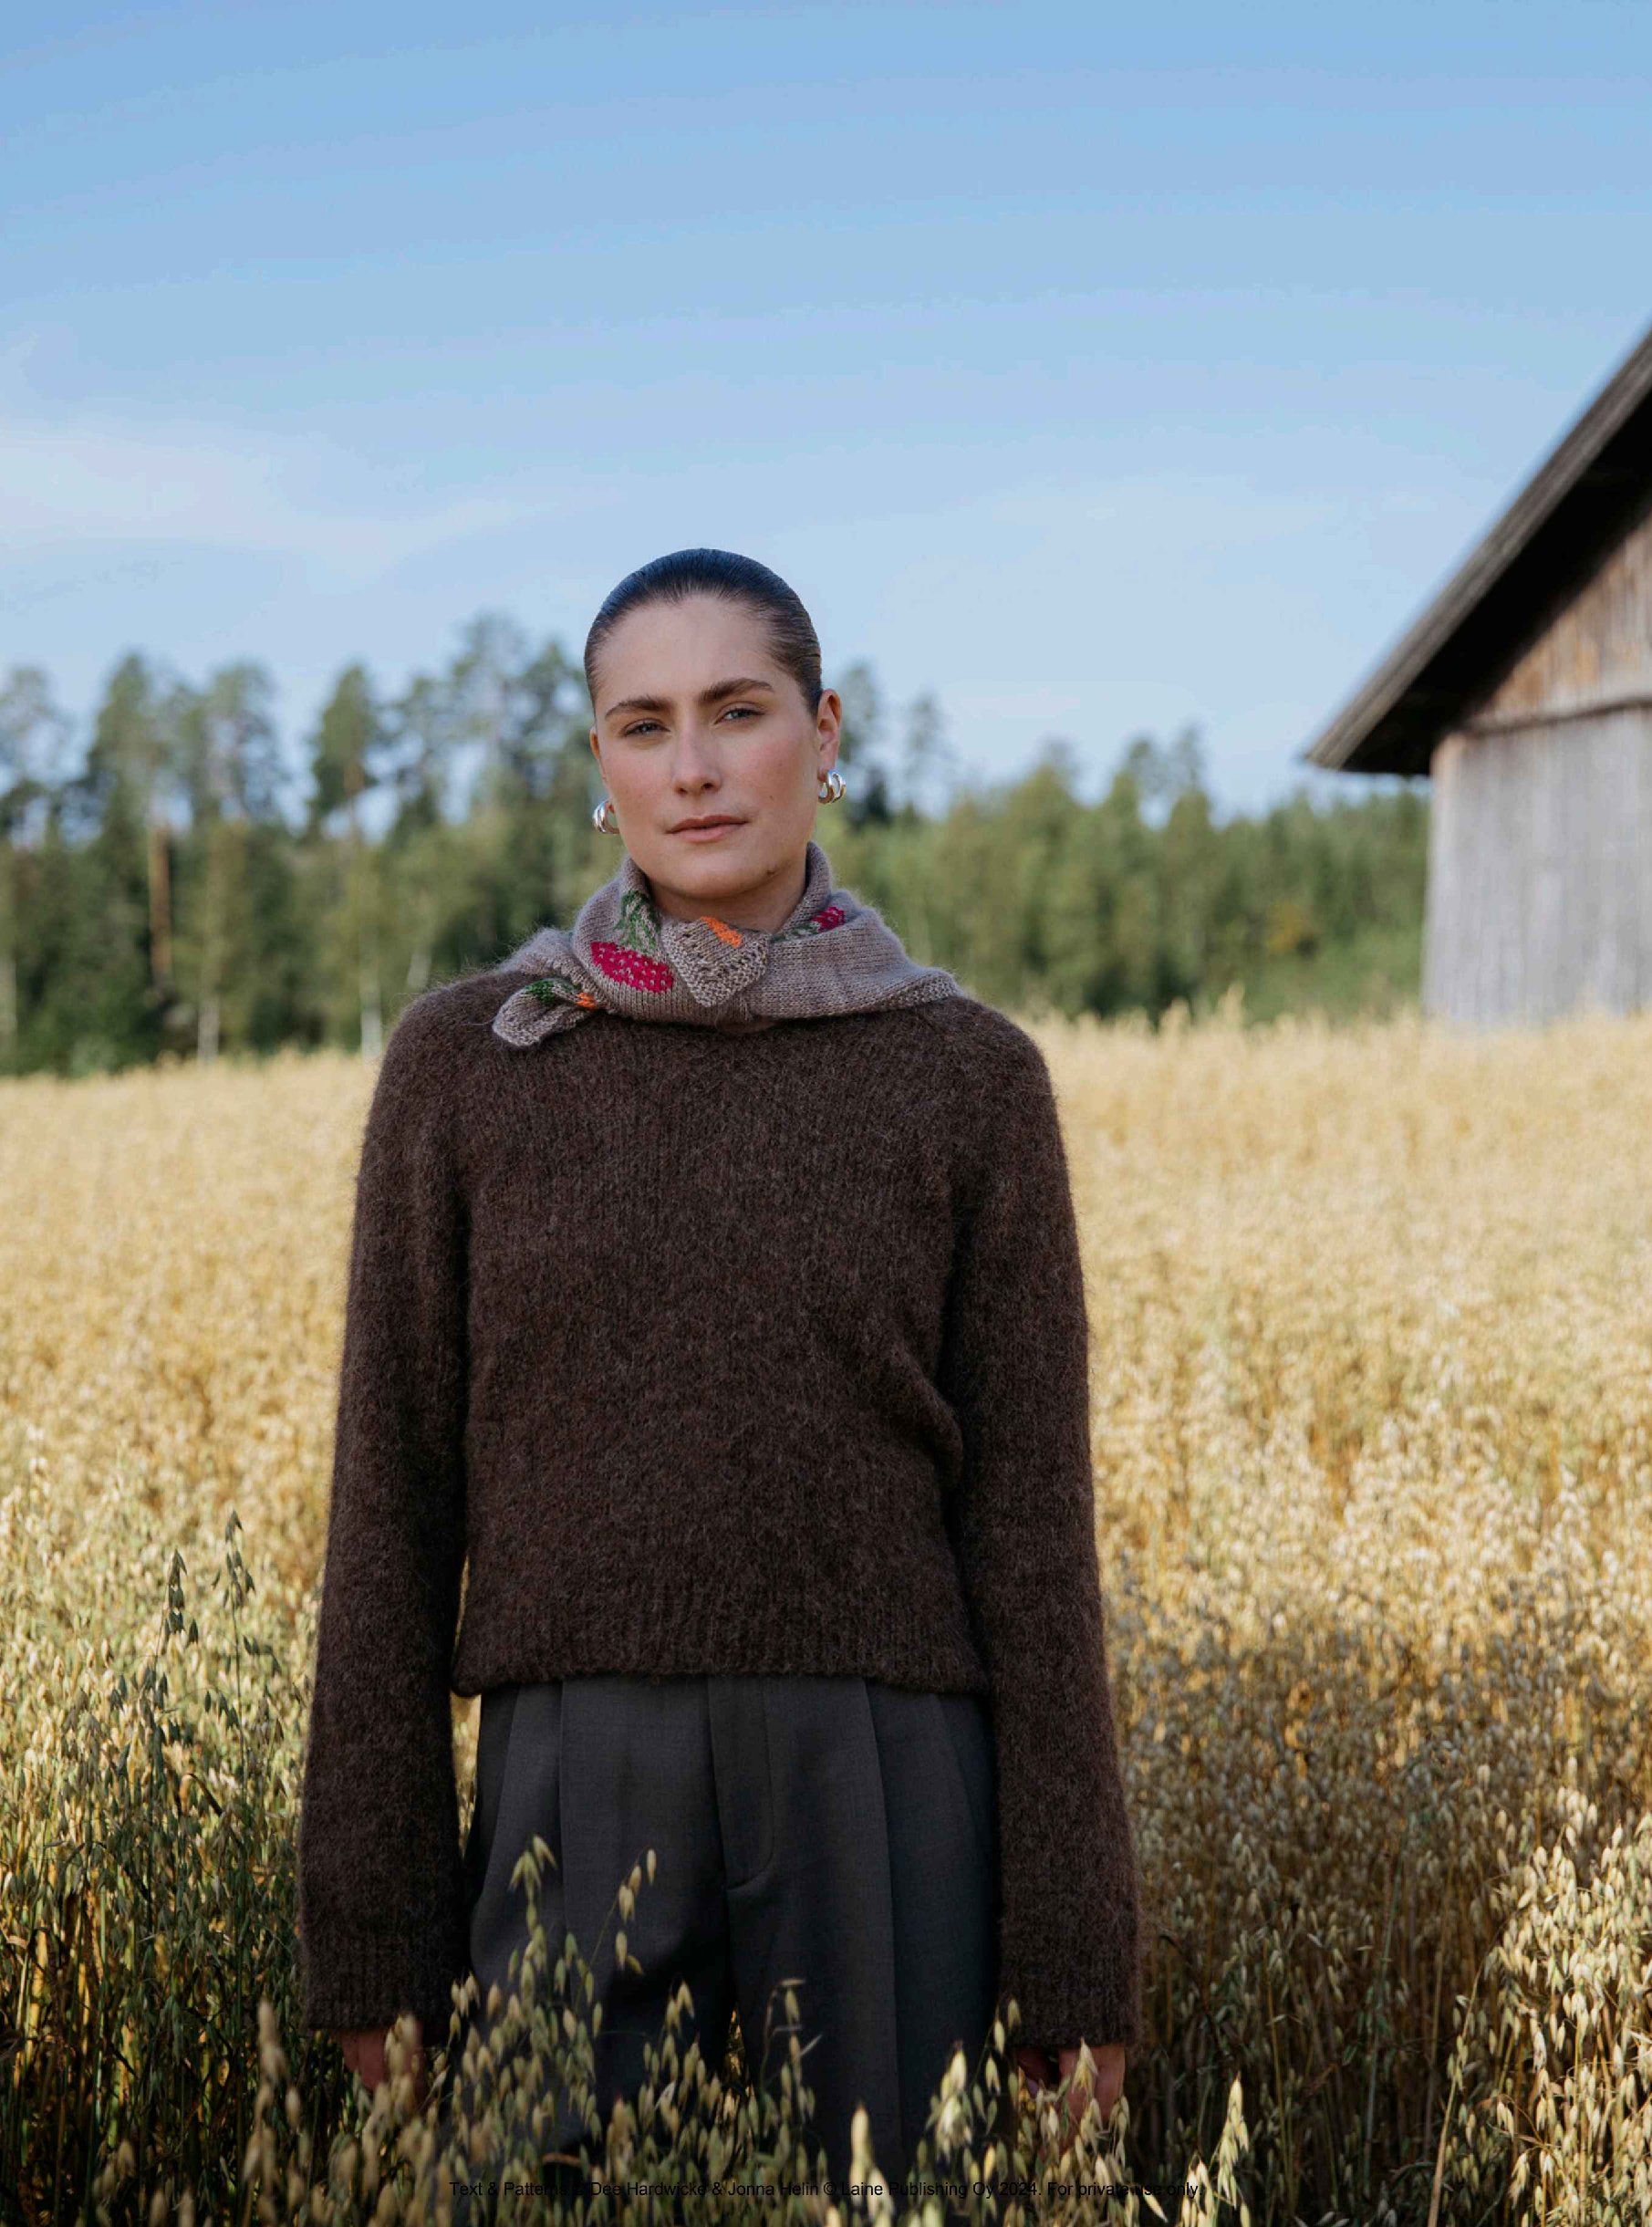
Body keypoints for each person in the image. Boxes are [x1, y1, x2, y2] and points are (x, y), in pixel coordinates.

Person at [295, 547, 1144, 2203]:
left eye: (738, 712)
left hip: (890, 1789)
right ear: (600, 763)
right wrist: (371, 1931)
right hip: (570, 1779)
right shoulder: (469, 1065)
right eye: (645, 724)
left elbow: (1037, 1539)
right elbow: (387, 1506)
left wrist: (1073, 1955)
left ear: (825, 734)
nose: (691, 766)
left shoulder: (969, 1078)